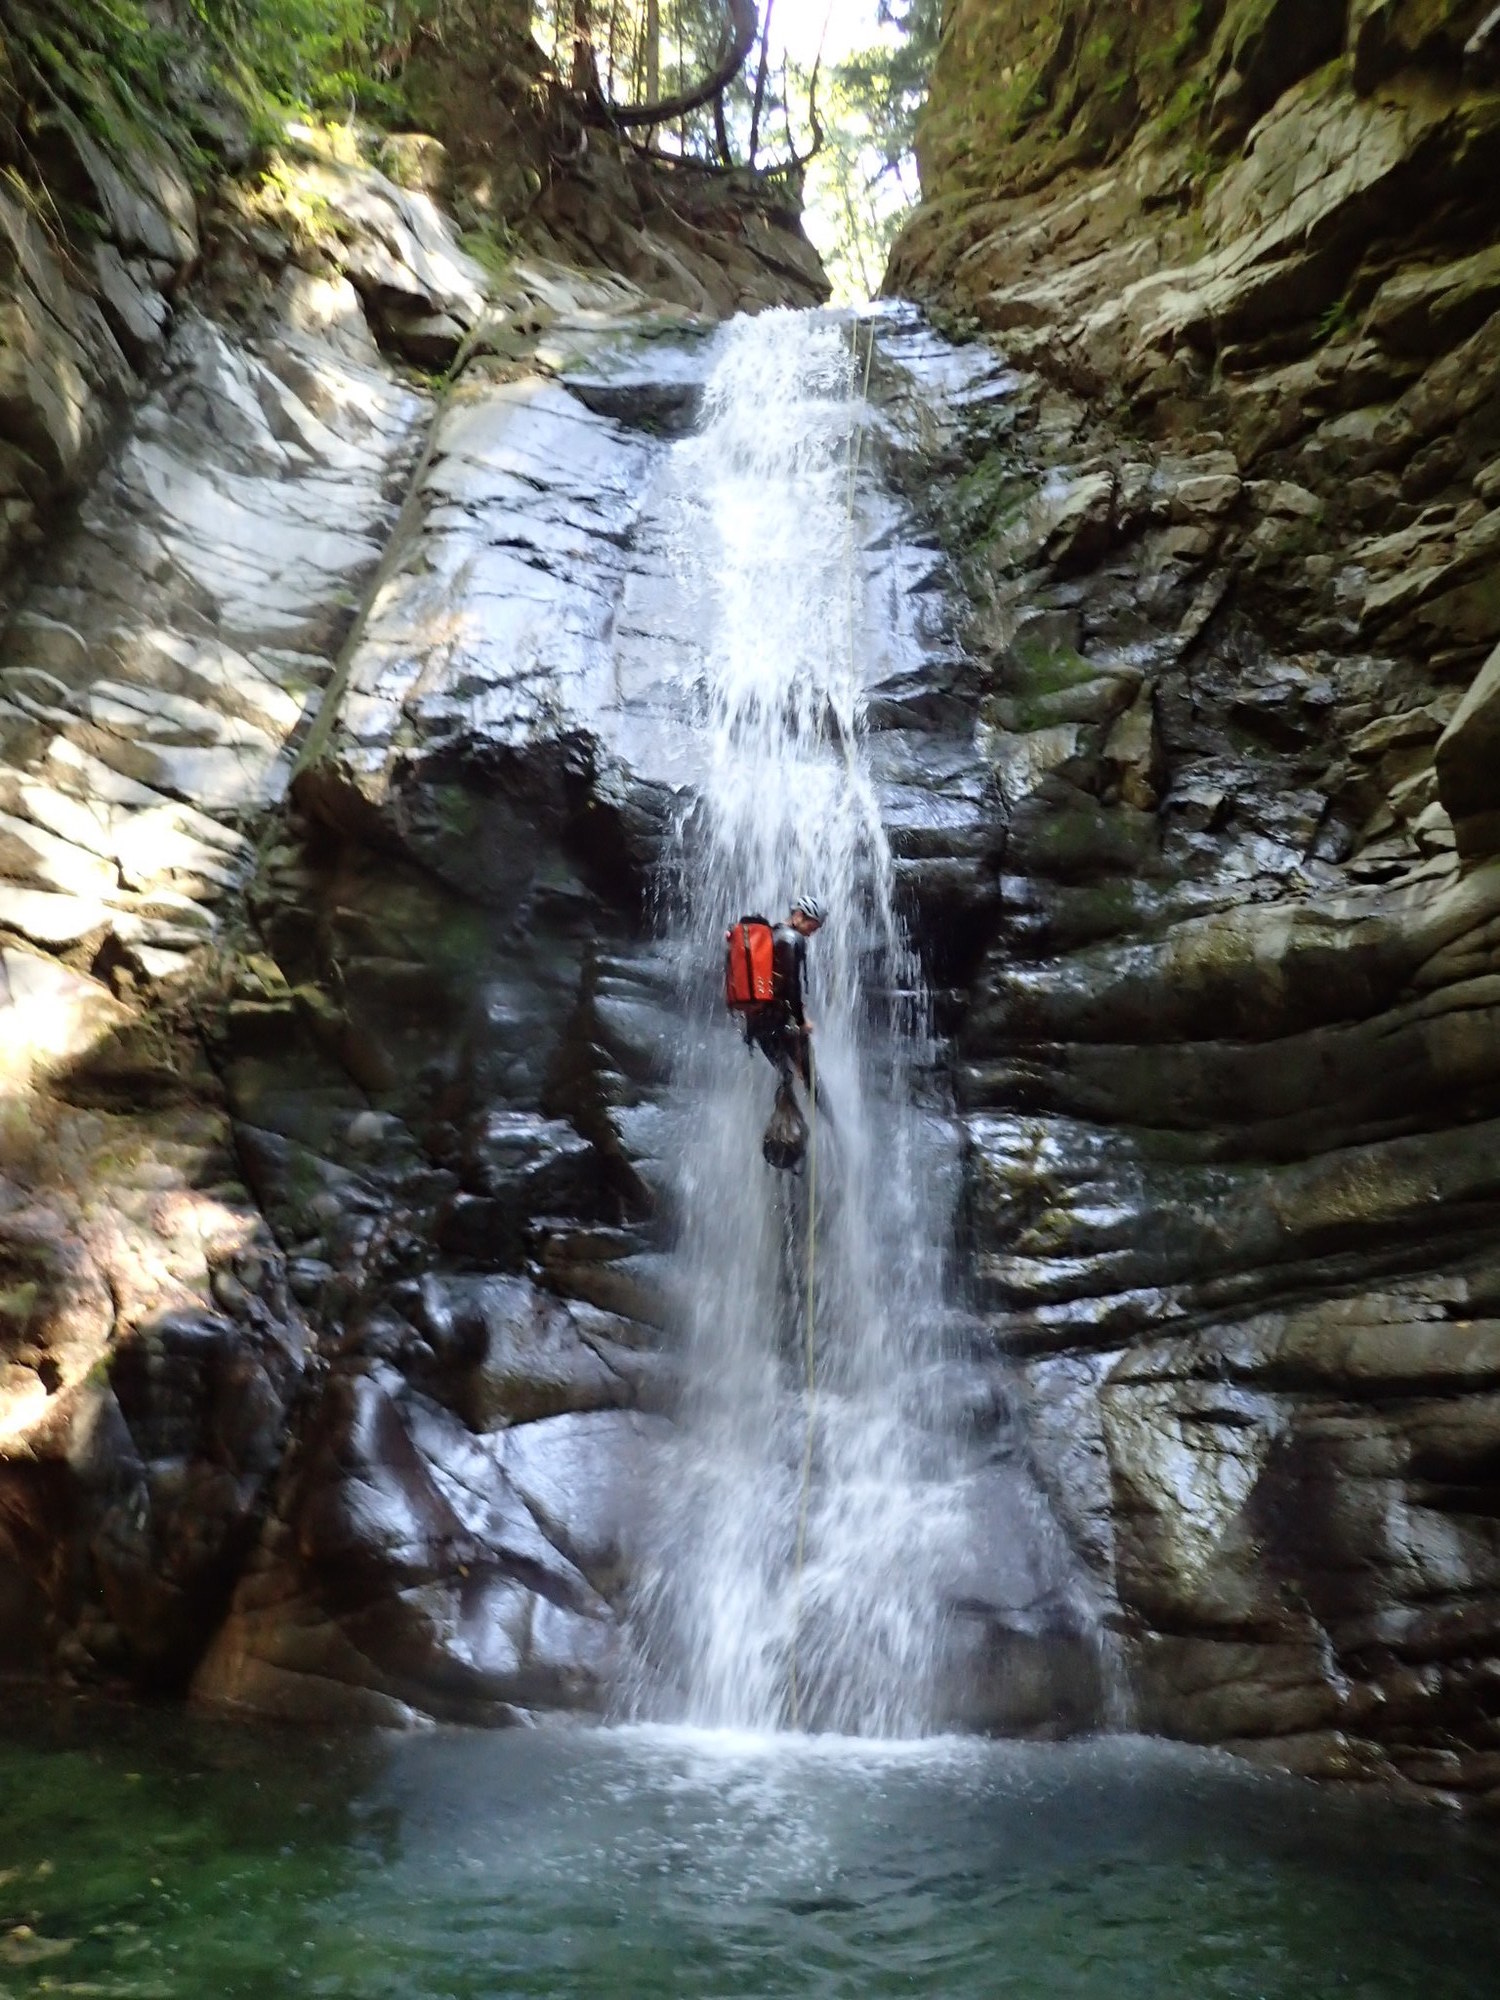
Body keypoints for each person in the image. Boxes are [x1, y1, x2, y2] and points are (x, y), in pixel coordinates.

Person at [742, 895, 828, 1113]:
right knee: (813, 1081)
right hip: (780, 1023)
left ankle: (785, 1125)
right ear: (799, 915)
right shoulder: (793, 938)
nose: (812, 933)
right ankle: (834, 1128)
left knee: (785, 1075)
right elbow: (792, 985)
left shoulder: (769, 935)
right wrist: (801, 1021)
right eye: (812, 926)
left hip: (757, 1024)